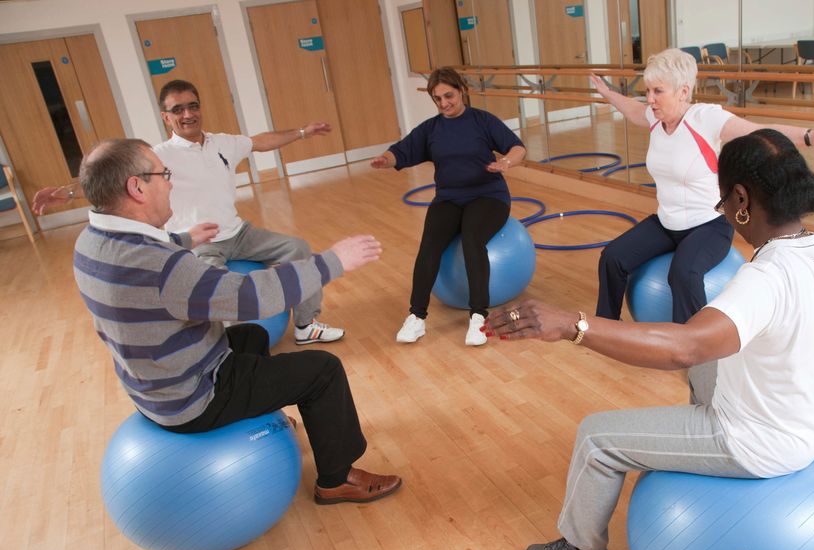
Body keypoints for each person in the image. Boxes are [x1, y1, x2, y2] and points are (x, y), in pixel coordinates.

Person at [483, 129, 814, 550]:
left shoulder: (767, 278)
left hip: (757, 441)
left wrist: (571, 324)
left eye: (723, 203)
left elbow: (685, 346)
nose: (726, 214)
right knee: (706, 364)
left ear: (741, 198)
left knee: (596, 437)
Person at [73, 138, 401, 504]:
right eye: (163, 175)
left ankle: (266, 421)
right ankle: (337, 480)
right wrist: (332, 262)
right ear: (136, 187)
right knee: (323, 370)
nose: (170, 183)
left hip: (152, 388)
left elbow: (146, 261)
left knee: (250, 338)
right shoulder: (163, 268)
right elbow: (250, 297)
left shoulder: (89, 243)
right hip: (193, 397)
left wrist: (184, 239)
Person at [35, 79, 346, 345]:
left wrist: (302, 132)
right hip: (198, 241)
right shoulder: (158, 155)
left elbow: (261, 142)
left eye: (192, 106)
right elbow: (114, 178)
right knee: (225, 294)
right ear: (166, 117)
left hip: (239, 233)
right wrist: (68, 193)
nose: (187, 114)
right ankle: (233, 350)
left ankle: (306, 326)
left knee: (298, 249)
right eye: (178, 109)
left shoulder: (222, 143)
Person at [588, 48, 814, 325]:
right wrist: (607, 92)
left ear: (683, 92)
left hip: (708, 225)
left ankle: (693, 346)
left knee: (683, 274)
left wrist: (811, 136)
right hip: (666, 222)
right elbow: (632, 109)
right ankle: (604, 328)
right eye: (647, 90)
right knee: (612, 257)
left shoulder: (704, 119)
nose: (649, 99)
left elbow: (758, 132)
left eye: (658, 91)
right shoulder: (654, 119)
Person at [370, 67, 527, 346]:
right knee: (429, 244)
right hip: (449, 198)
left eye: (449, 96)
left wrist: (505, 162)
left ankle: (478, 316)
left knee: (472, 238)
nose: (444, 103)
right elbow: (401, 151)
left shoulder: (482, 121)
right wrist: (385, 159)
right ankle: (416, 317)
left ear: (462, 91)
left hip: (488, 195)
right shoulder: (431, 129)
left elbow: (518, 148)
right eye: (437, 99)